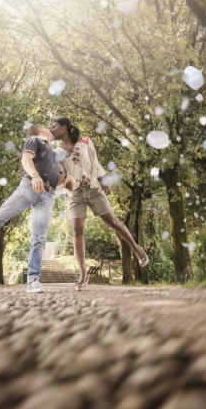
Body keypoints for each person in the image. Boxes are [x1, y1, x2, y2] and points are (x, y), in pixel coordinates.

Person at [0, 123, 76, 293]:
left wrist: (68, 180)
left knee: (40, 237)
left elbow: (56, 180)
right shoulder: (35, 140)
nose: (51, 129)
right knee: (0, 216)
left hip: (48, 195)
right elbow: (26, 159)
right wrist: (34, 175)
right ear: (40, 129)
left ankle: (33, 280)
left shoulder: (53, 154)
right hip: (29, 186)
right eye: (48, 127)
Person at [51, 117, 149, 290]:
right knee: (77, 230)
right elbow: (59, 172)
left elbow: (95, 163)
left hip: (94, 188)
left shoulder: (85, 141)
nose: (52, 130)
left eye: (54, 127)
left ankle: (136, 248)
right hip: (74, 193)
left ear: (64, 127)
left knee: (113, 223)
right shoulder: (56, 150)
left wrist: (104, 181)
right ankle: (83, 273)